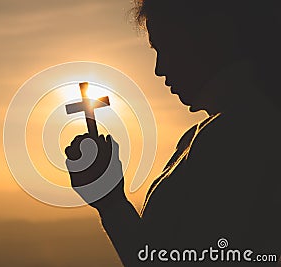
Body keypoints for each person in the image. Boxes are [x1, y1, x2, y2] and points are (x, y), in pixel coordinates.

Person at [65, 0, 280, 266]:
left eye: (167, 48)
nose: (159, 69)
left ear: (213, 36)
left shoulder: (240, 135)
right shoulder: (203, 135)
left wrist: (111, 204)